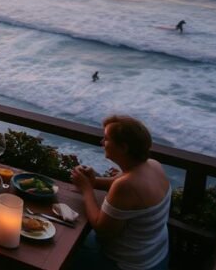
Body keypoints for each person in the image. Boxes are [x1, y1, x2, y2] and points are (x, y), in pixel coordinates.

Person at [72, 115, 171, 270]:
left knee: (58, 251)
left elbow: (102, 229)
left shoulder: (127, 186)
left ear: (123, 147)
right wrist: (92, 181)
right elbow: (116, 183)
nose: (102, 143)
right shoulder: (153, 165)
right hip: (155, 255)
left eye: (106, 139)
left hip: (128, 264)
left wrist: (86, 189)